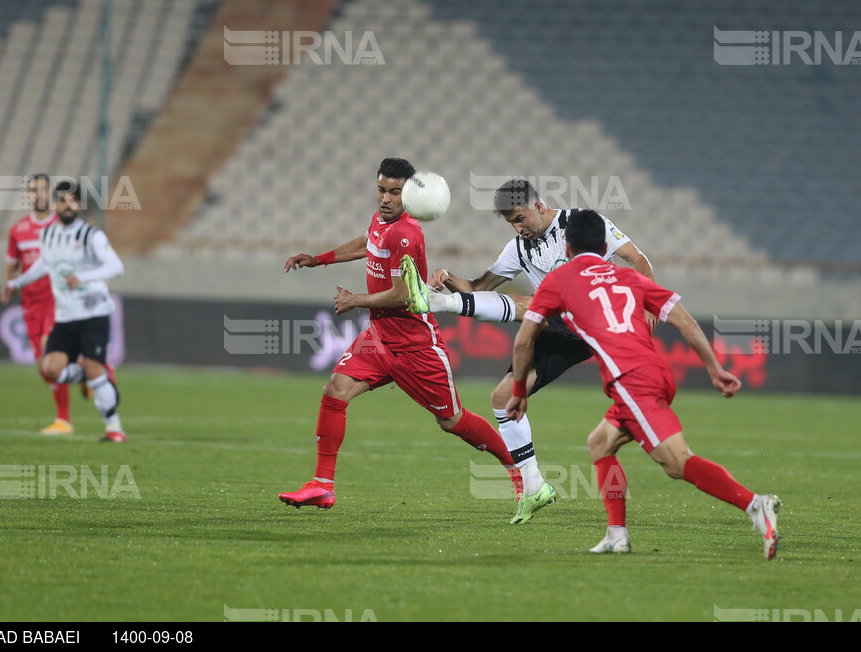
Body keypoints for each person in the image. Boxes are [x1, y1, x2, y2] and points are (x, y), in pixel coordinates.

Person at [505, 209, 781, 558]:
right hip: (656, 373)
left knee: (676, 462)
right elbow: (685, 322)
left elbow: (523, 340)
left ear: (568, 248)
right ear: (605, 244)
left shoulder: (557, 281)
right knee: (600, 444)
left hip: (631, 382)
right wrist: (714, 368)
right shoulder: (628, 277)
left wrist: (518, 392)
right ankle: (616, 534)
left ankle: (755, 505)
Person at [406, 178, 655, 525]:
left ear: (539, 206)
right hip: (560, 327)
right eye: (511, 222)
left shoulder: (582, 226)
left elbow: (638, 259)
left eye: (520, 218)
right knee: (502, 396)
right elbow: (479, 288)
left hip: (596, 320)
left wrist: (649, 305)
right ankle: (535, 486)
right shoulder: (519, 248)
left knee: (532, 305)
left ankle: (438, 304)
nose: (518, 228)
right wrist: (448, 276)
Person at [279, 158, 519, 509]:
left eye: (395, 192)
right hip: (379, 337)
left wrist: (356, 300)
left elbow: (404, 294)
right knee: (336, 390)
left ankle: (516, 468)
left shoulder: (407, 234)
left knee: (451, 420)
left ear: (409, 194)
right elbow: (367, 242)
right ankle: (322, 485)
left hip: (415, 345)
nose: (386, 199)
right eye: (381, 190)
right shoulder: (381, 221)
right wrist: (320, 259)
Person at [1, 180, 126, 442]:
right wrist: (16, 282)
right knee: (50, 368)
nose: (67, 206)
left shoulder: (92, 235)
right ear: (56, 203)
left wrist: (85, 276)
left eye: (73, 201)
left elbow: (116, 267)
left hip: (93, 313)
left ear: (80, 205)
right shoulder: (48, 235)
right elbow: (43, 266)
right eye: (62, 200)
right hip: (66, 316)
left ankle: (114, 428)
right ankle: (96, 373)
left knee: (92, 370)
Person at [0, 174, 74, 435]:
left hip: (56, 301)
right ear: (28, 196)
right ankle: (87, 371)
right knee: (44, 368)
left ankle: (63, 420)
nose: (37, 195)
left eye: (42, 190)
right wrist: (8, 284)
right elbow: (12, 263)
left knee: (50, 354)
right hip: (30, 305)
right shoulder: (18, 230)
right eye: (33, 190)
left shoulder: (62, 224)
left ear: (49, 194)